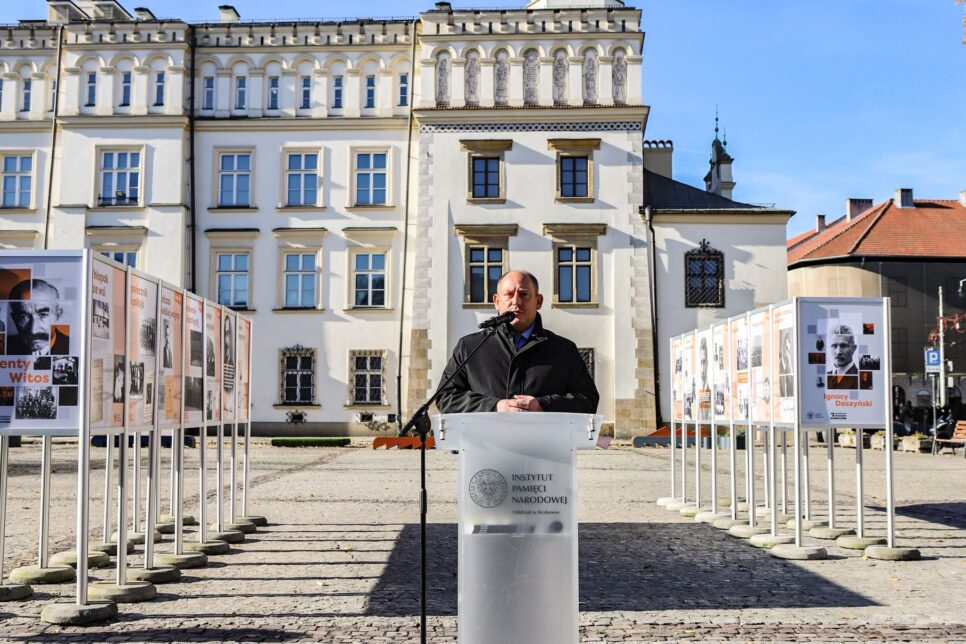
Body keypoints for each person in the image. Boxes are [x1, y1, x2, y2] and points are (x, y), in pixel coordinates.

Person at [436, 270, 599, 414]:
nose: (516, 301)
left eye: (524, 294)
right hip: (484, 445)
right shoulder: (469, 347)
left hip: (544, 446)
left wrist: (542, 405)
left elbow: (588, 400)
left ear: (538, 301)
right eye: (508, 294)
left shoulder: (564, 349)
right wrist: (494, 406)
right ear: (496, 301)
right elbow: (445, 397)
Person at [7, 279, 69, 356]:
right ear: (14, 319)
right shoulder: (5, 346)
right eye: (24, 317)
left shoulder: (75, 347)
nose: (34, 331)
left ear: (58, 315)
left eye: (43, 315)